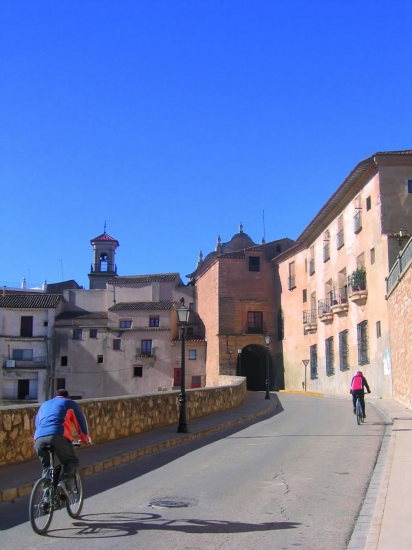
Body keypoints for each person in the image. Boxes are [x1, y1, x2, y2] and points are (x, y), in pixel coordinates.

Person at [34, 389, 91, 480]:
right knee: (71, 461)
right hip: (58, 434)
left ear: (55, 397)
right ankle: (64, 484)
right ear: (67, 397)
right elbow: (80, 422)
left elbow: (37, 423)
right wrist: (84, 438)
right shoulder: (69, 403)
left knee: (46, 467)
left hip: (39, 437)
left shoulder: (44, 405)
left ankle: (46, 491)